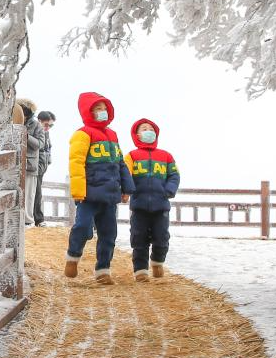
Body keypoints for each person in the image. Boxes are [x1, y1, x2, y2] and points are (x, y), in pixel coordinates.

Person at [64, 92, 135, 285]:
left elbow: (120, 163)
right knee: (82, 227)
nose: (102, 112)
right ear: (89, 112)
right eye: (98, 109)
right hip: (89, 194)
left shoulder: (112, 135)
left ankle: (103, 270)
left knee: (108, 233)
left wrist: (126, 188)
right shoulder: (82, 134)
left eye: (105, 109)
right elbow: (76, 163)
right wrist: (79, 191)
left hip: (110, 195)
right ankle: (73, 255)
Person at [124, 118, 180, 282]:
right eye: (143, 129)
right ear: (137, 134)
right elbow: (125, 174)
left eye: (151, 128)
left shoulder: (166, 156)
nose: (148, 131)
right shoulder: (131, 156)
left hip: (161, 206)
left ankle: (157, 262)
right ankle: (140, 270)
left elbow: (174, 175)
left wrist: (169, 190)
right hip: (139, 207)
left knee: (161, 237)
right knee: (138, 238)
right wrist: (126, 190)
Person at [17, 99, 45, 225]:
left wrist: (26, 136)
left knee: (29, 196)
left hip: (29, 165)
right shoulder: (12, 122)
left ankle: (28, 221)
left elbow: (40, 144)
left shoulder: (36, 125)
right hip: (14, 165)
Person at [33, 110, 55, 226]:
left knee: (38, 192)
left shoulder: (46, 133)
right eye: (46, 125)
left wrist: (49, 160)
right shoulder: (36, 131)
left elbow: (48, 147)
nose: (48, 127)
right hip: (35, 166)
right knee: (37, 193)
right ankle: (38, 219)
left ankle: (37, 218)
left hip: (42, 166)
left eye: (50, 125)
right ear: (39, 121)